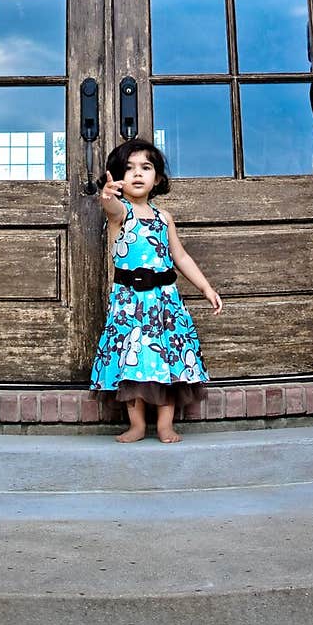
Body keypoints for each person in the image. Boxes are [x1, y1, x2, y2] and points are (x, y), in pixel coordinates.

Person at [89, 138, 223, 443]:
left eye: (145, 168)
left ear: (157, 178)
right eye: (128, 168)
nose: (137, 174)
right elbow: (109, 208)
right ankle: (136, 424)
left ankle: (165, 423)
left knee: (169, 358)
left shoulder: (164, 218)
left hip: (165, 303)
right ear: (117, 176)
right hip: (130, 304)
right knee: (131, 360)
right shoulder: (121, 213)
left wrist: (205, 287)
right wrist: (107, 195)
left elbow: (181, 257)